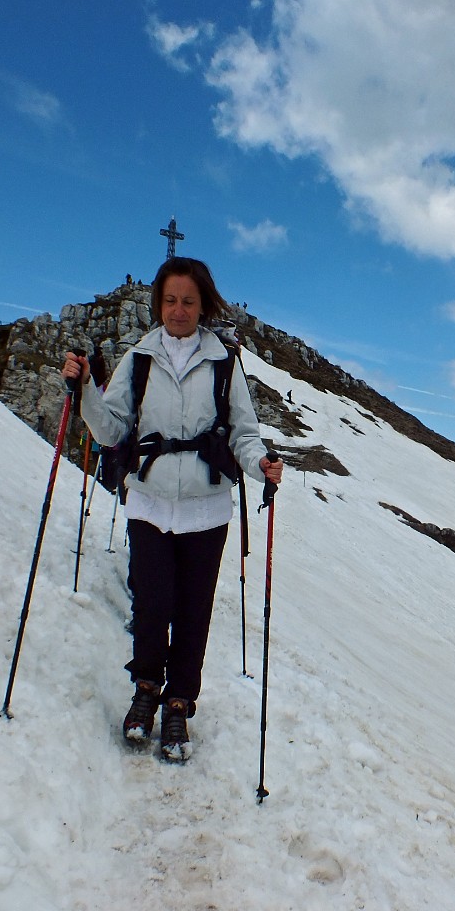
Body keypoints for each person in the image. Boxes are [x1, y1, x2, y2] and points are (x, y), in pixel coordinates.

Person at [62, 256, 282, 761]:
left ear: (203, 304)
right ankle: (145, 690)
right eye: (169, 300)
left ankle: (179, 701)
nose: (178, 310)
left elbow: (244, 433)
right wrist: (84, 394)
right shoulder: (139, 359)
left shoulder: (224, 362)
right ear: (157, 303)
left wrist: (261, 463)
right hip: (149, 503)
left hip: (206, 509)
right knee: (152, 605)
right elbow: (114, 427)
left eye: (187, 300)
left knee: (192, 613)